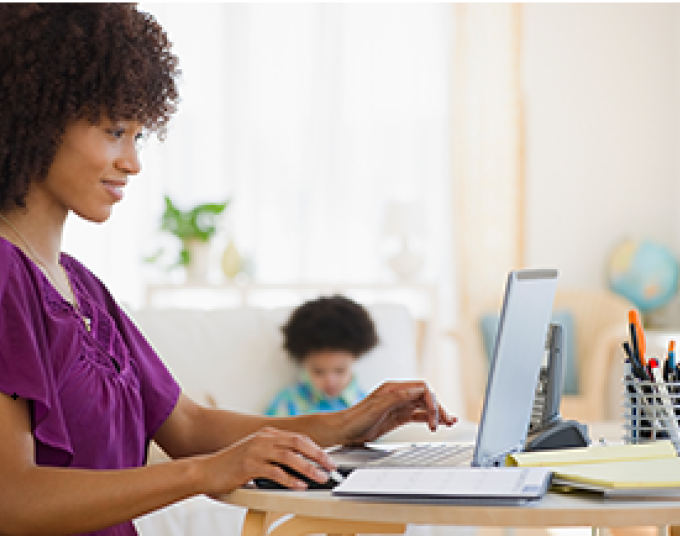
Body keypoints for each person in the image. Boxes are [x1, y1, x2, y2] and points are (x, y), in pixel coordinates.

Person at [0, 5, 456, 536]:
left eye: (138, 137)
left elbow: (188, 425)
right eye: (114, 130)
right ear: (36, 120)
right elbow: (12, 498)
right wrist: (201, 474)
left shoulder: (82, 288)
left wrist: (343, 423)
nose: (133, 162)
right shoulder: (7, 278)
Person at [265, 295, 378, 416]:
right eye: (318, 371)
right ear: (303, 362)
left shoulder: (367, 405)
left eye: (340, 370)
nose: (330, 381)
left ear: (355, 358)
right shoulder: (287, 402)